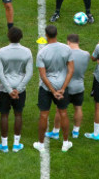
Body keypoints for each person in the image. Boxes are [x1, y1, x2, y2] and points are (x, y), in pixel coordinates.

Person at [33, 25, 74, 153]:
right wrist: (62, 89)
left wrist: (52, 90)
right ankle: (65, 143)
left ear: (46, 35)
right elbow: (70, 70)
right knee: (63, 113)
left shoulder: (42, 52)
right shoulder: (67, 49)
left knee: (44, 115)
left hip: (46, 88)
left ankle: (40, 144)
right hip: (62, 86)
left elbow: (43, 75)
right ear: (57, 34)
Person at [0, 27, 33, 154]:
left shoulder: (1, 51)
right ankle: (16, 145)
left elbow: (0, 73)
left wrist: (9, 89)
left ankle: (4, 145)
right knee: (18, 114)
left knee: (4, 115)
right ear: (21, 37)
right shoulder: (27, 52)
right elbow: (29, 73)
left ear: (8, 36)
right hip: (19, 90)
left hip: (5, 89)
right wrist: (18, 89)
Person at [47, 33, 89, 140]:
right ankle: (76, 131)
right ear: (78, 42)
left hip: (65, 87)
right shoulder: (86, 54)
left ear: (68, 42)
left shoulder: (65, 55)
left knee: (59, 109)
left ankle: (55, 132)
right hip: (79, 86)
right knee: (78, 108)